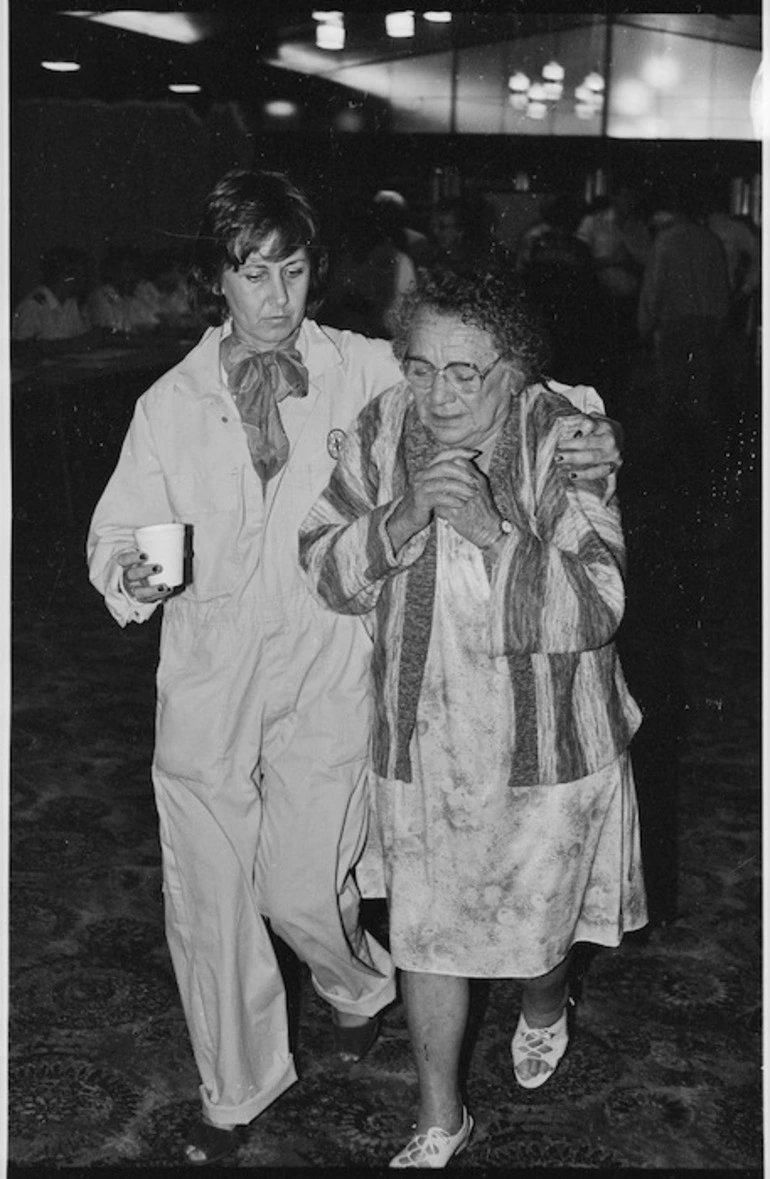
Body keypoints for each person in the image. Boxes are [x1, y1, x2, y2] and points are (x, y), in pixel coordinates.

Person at [87, 168, 624, 1167]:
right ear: (220, 281)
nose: (277, 296)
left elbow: (491, 373)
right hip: (211, 665)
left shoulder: (362, 367)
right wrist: (135, 569)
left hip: (334, 660)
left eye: (292, 270)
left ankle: (355, 983)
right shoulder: (167, 406)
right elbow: (115, 536)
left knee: (299, 890)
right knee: (205, 890)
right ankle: (233, 1086)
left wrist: (592, 428)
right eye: (253, 274)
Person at [300, 267, 647, 1169]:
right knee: (427, 931)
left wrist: (495, 534)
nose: (439, 394)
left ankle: (544, 1001)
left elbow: (597, 605)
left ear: (515, 372)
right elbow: (325, 566)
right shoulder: (381, 431)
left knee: (536, 936)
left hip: (547, 745)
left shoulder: (563, 438)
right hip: (422, 738)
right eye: (422, 368)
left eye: (467, 373)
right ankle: (439, 1117)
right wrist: (402, 515)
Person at [11, 247, 92, 345]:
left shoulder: (71, 304)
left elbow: (82, 341)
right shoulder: (33, 306)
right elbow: (22, 350)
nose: (82, 280)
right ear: (62, 276)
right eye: (77, 275)